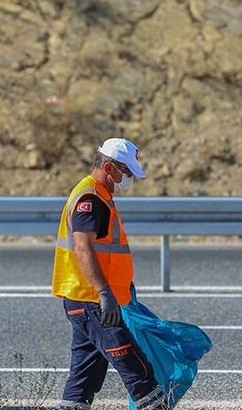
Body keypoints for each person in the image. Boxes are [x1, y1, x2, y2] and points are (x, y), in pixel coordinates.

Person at [52, 138, 165, 410]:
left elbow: (108, 253)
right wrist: (105, 292)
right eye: (126, 173)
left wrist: (121, 288)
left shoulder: (100, 195)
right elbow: (83, 247)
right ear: (110, 167)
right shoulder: (90, 199)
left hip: (90, 301)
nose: (127, 179)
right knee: (138, 372)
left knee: (83, 378)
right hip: (94, 301)